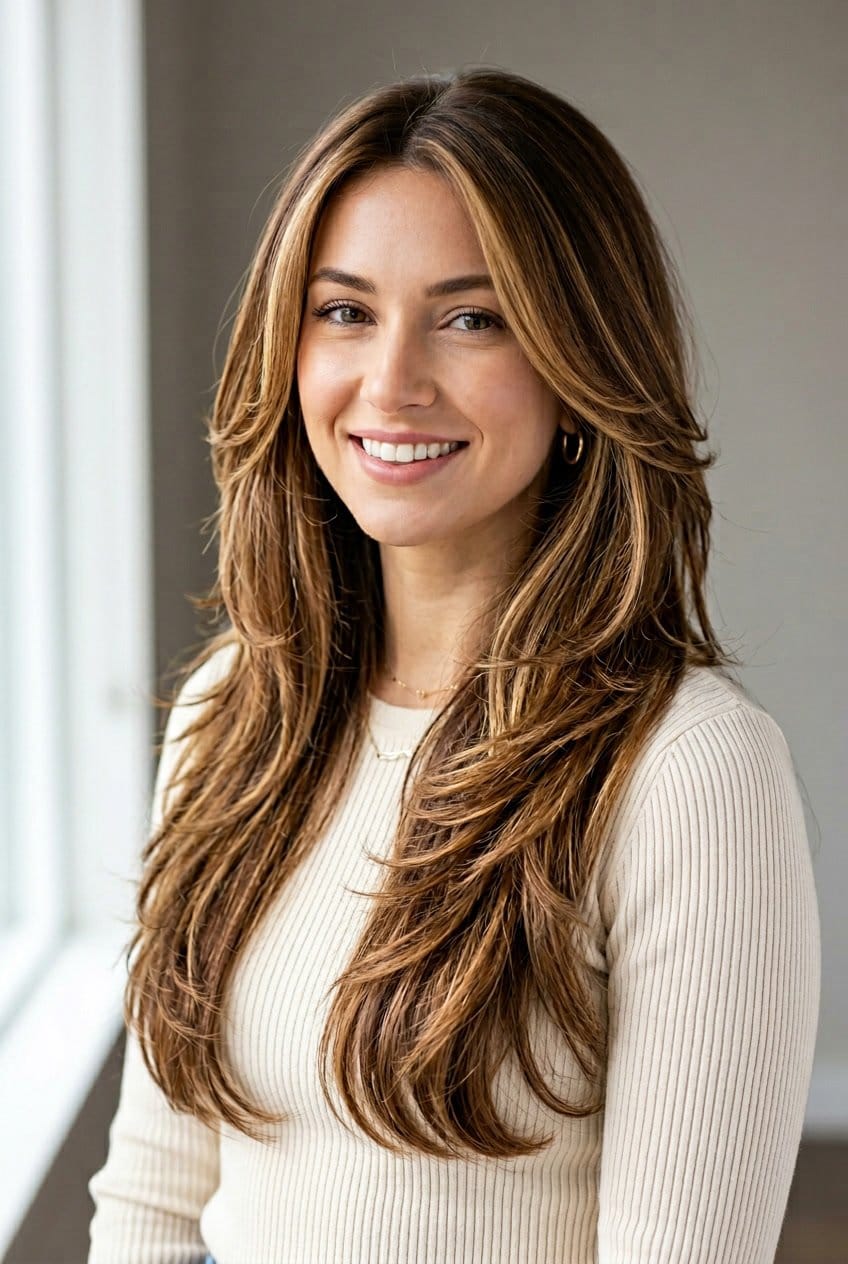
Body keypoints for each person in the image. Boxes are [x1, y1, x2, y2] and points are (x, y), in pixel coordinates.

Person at [87, 66, 820, 1264]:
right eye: (344, 311)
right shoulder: (233, 708)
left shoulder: (689, 773)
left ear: (579, 363)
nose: (391, 382)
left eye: (469, 317)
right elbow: (156, 1197)